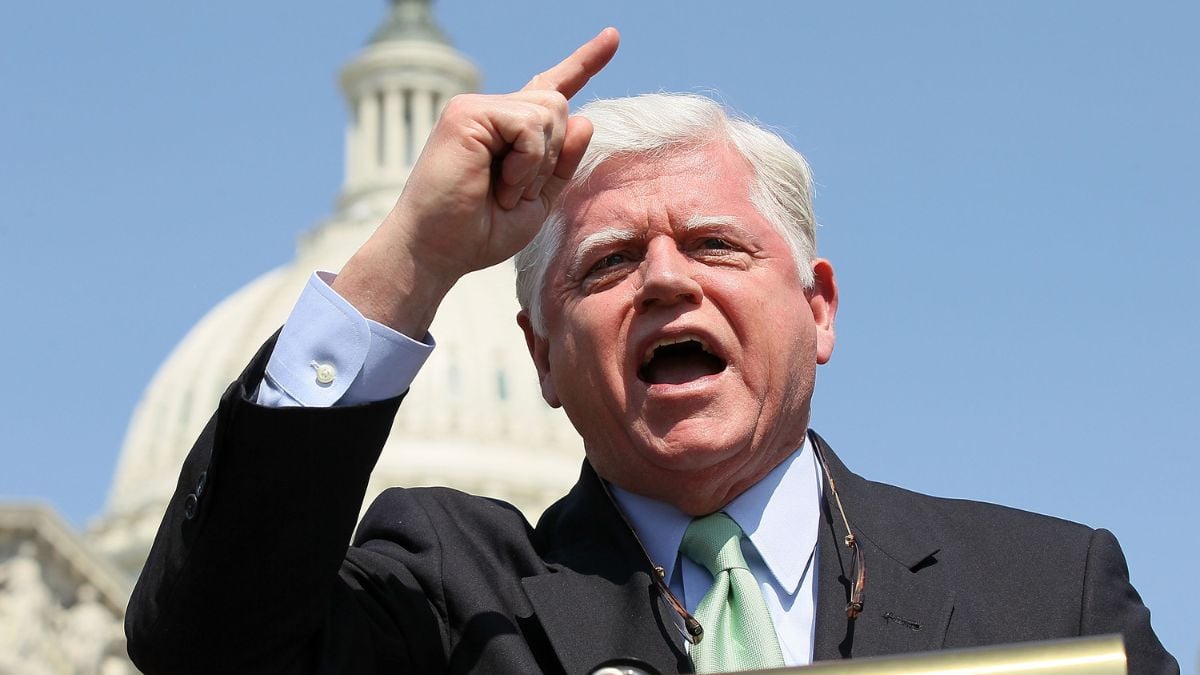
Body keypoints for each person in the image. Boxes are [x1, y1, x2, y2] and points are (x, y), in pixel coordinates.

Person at [125, 29, 1177, 674]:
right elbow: (210, 646)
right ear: (541, 356)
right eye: (610, 262)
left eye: (715, 244)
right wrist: (417, 255)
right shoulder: (451, 602)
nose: (667, 280)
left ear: (819, 308)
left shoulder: (1049, 597)